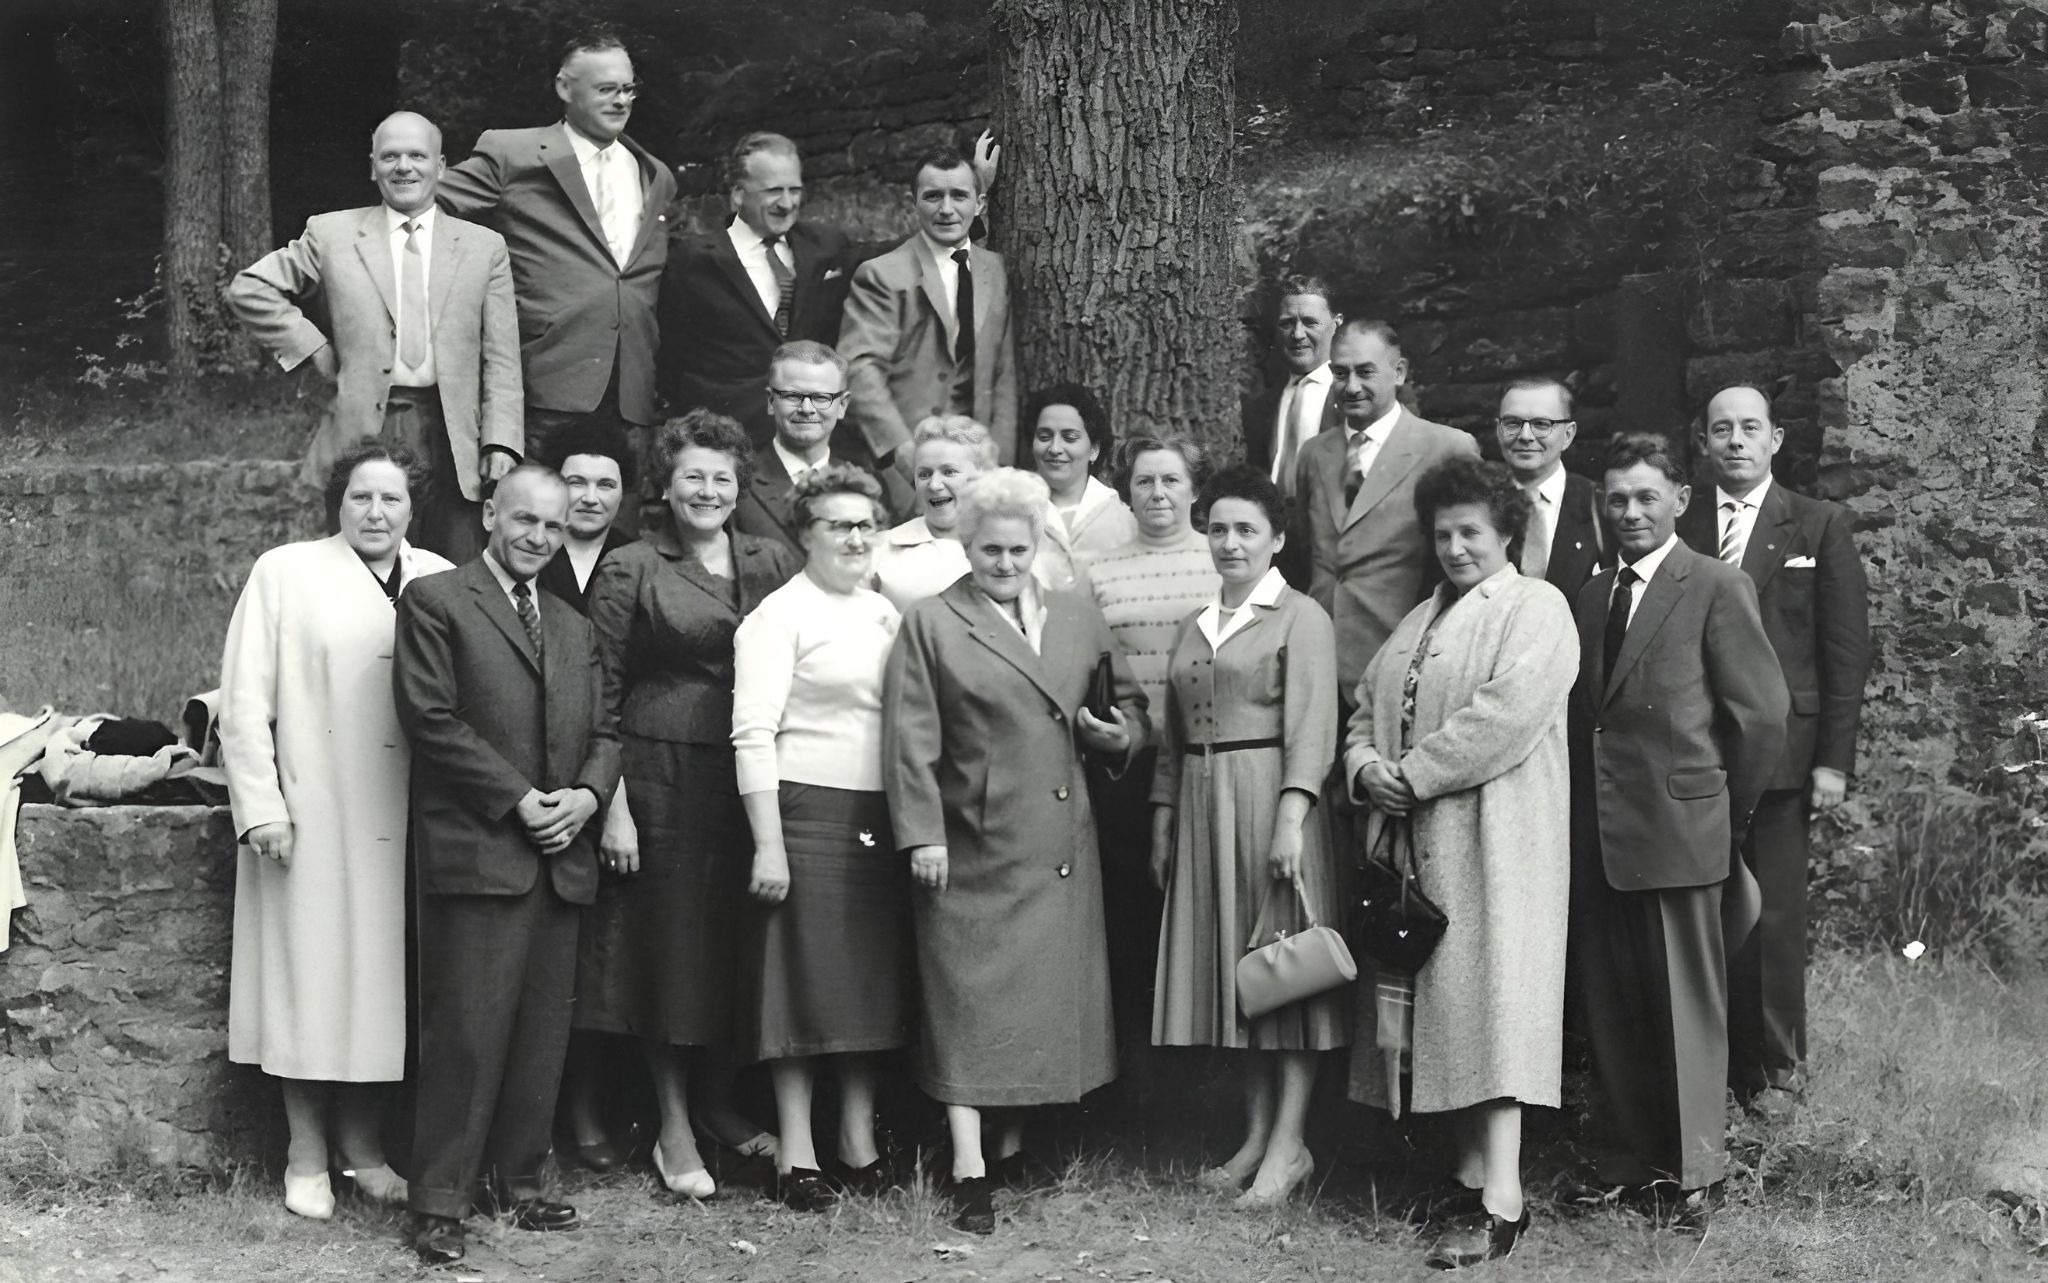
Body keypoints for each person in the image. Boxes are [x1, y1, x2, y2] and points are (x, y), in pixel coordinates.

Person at [883, 467, 1148, 1234]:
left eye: (1018, 548)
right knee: (966, 995)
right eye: (989, 549)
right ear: (966, 546)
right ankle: (967, 1161)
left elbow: (1125, 701)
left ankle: (1012, 1142)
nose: (1004, 562)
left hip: (1059, 840)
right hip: (972, 838)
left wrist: (1122, 735)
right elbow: (910, 740)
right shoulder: (932, 622)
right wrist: (922, 831)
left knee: (1033, 994)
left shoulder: (1075, 613)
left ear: (1039, 545)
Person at [1343, 457, 1579, 1269]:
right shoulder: (1418, 619)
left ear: (1507, 531)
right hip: (1425, 844)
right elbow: (1363, 709)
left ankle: (1504, 1199)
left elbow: (1505, 713)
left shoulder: (1535, 607)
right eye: (1442, 533)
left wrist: (1410, 773)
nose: (1453, 546)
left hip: (1501, 842)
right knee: (1446, 1010)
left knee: (1498, 1005)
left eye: (1470, 531)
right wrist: (1364, 767)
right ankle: (1468, 1174)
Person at [218, 440, 454, 1220]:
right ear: (338, 502)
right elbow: (245, 701)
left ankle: (366, 1149)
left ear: (413, 506)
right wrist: (263, 808)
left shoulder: (441, 579)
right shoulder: (285, 572)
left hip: (410, 821)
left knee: (381, 991)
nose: (376, 512)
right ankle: (306, 1151)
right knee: (310, 981)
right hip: (312, 816)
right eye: (361, 497)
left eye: (390, 498)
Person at [392, 463, 622, 1265]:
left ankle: (517, 1183)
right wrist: (521, 799)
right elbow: (431, 718)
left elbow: (607, 728)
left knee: (539, 1031)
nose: (538, 537)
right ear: (491, 512)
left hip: (561, 853)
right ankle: (441, 1200)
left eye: (554, 527)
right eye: (524, 520)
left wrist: (588, 798)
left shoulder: (571, 623)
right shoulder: (438, 601)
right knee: (467, 1030)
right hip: (483, 847)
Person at [1569, 433, 1787, 1229]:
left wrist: (1723, 814)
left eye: (1645, 497)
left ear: (1680, 500)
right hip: (1604, 833)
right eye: (1617, 499)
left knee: (1686, 1006)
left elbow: (1761, 717)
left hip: (1686, 826)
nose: (1629, 511)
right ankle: (1639, 1156)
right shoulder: (1593, 595)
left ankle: (1699, 1171)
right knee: (1618, 1002)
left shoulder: (1716, 584)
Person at [582, 410, 801, 1200]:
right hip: (659, 773)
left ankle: (717, 1098)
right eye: (692, 477)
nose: (708, 490)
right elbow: (598, 690)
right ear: (667, 489)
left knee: (736, 940)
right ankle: (672, 1121)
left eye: (721, 477)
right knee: (669, 948)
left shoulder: (772, 559)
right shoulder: (633, 566)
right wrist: (613, 805)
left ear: (740, 487)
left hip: (750, 777)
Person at [1148, 465, 1345, 1205]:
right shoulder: (1196, 622)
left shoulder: (1300, 616)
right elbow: (1171, 738)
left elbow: (1312, 728)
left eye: (1247, 530)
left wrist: (1291, 816)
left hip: (1269, 802)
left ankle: (1291, 1144)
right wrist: (1165, 818)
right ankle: (1257, 1137)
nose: (1231, 543)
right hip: (1203, 807)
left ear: (1278, 539)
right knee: (1241, 980)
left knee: (1285, 976)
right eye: (1220, 528)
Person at [1679, 385, 1871, 1111]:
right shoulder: (1682, 521)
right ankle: (1710, 1059)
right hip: (1697, 747)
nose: (1734, 440)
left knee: (1777, 909)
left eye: (1748, 428)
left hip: (1786, 755)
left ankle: (1778, 1068)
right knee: (1700, 904)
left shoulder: (1818, 526)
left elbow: (1844, 652)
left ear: (1776, 438)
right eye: (1720, 428)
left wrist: (1832, 760)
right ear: (1702, 442)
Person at [732, 464, 913, 1212]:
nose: (855, 536)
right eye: (838, 524)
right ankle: (797, 1149)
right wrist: (768, 843)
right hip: (803, 811)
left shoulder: (884, 612)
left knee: (865, 982)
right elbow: (752, 733)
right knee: (799, 983)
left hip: (879, 814)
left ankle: (857, 1140)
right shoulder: (779, 615)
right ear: (804, 533)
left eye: (866, 523)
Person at [226, 111, 521, 563]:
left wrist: (501, 440)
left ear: (441, 167)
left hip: (452, 436)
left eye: (418, 155)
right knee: (360, 575)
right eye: (390, 156)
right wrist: (312, 345)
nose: (404, 166)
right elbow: (250, 287)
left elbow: (501, 357)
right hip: (364, 429)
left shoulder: (484, 247)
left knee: (451, 576)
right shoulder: (331, 234)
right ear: (372, 166)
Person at [437, 26, 677, 528]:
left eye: (629, 88)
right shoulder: (512, 154)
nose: (621, 100)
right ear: (565, 89)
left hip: (630, 387)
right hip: (544, 378)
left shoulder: (654, 173)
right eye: (606, 88)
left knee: (617, 538)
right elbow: (423, 211)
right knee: (532, 529)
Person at [660, 130, 1000, 444]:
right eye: (772, 191)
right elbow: (671, 361)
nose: (786, 203)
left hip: (816, 435)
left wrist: (972, 193)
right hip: (731, 440)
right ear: (738, 195)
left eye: (794, 190)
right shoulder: (693, 261)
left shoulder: (823, 247)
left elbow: (897, 256)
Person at [1084, 434, 1220, 1102]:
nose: (1158, 494)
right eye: (1144, 482)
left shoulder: (1224, 558)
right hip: (1132, 768)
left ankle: (1204, 1086)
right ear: (1125, 490)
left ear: (1195, 488)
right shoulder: (1100, 573)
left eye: (1171, 480)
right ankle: (1138, 1088)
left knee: (1206, 918)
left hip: (1213, 763)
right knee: (1138, 921)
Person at [1295, 320, 1482, 703]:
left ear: (1399, 373)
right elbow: (1304, 550)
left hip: (1399, 666)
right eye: (1339, 373)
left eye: (1365, 372)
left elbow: (1470, 570)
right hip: (1315, 668)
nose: (1351, 387)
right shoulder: (1313, 454)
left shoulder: (1447, 448)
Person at [840, 144, 1018, 474]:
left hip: (981, 463)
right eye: (934, 196)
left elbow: (1004, 374)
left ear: (979, 204)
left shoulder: (996, 271)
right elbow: (860, 368)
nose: (947, 209)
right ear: (913, 204)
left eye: (959, 196)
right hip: (911, 461)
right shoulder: (882, 274)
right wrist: (903, 453)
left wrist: (1002, 463)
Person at [870, 415, 1080, 610]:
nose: (934, 485)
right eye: (924, 474)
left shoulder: (1031, 526)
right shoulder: (881, 549)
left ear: (982, 475)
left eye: (949, 472)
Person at [734, 341, 915, 555]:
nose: (807, 409)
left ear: (843, 406)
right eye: (793, 396)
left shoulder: (872, 487)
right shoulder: (739, 485)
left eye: (821, 398)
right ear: (771, 401)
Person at [1495, 377, 1606, 597]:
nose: (1525, 436)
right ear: (1498, 429)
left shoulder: (1600, 504)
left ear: (1568, 435)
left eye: (1541, 424)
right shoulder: (1479, 502)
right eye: (1512, 423)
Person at [1244, 275, 1343, 499]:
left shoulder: (1355, 397)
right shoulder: (1262, 405)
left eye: (1310, 322)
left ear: (1335, 324)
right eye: (1287, 323)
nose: (1297, 335)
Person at [1023, 383, 1139, 567]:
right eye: (1044, 437)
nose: (1054, 449)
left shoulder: (1123, 516)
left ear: (1093, 450)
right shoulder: (1010, 506)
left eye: (1069, 438)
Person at [535, 421, 639, 615]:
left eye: (606, 485)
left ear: (623, 492)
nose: (590, 499)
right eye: (577, 483)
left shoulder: (640, 561)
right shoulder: (528, 550)